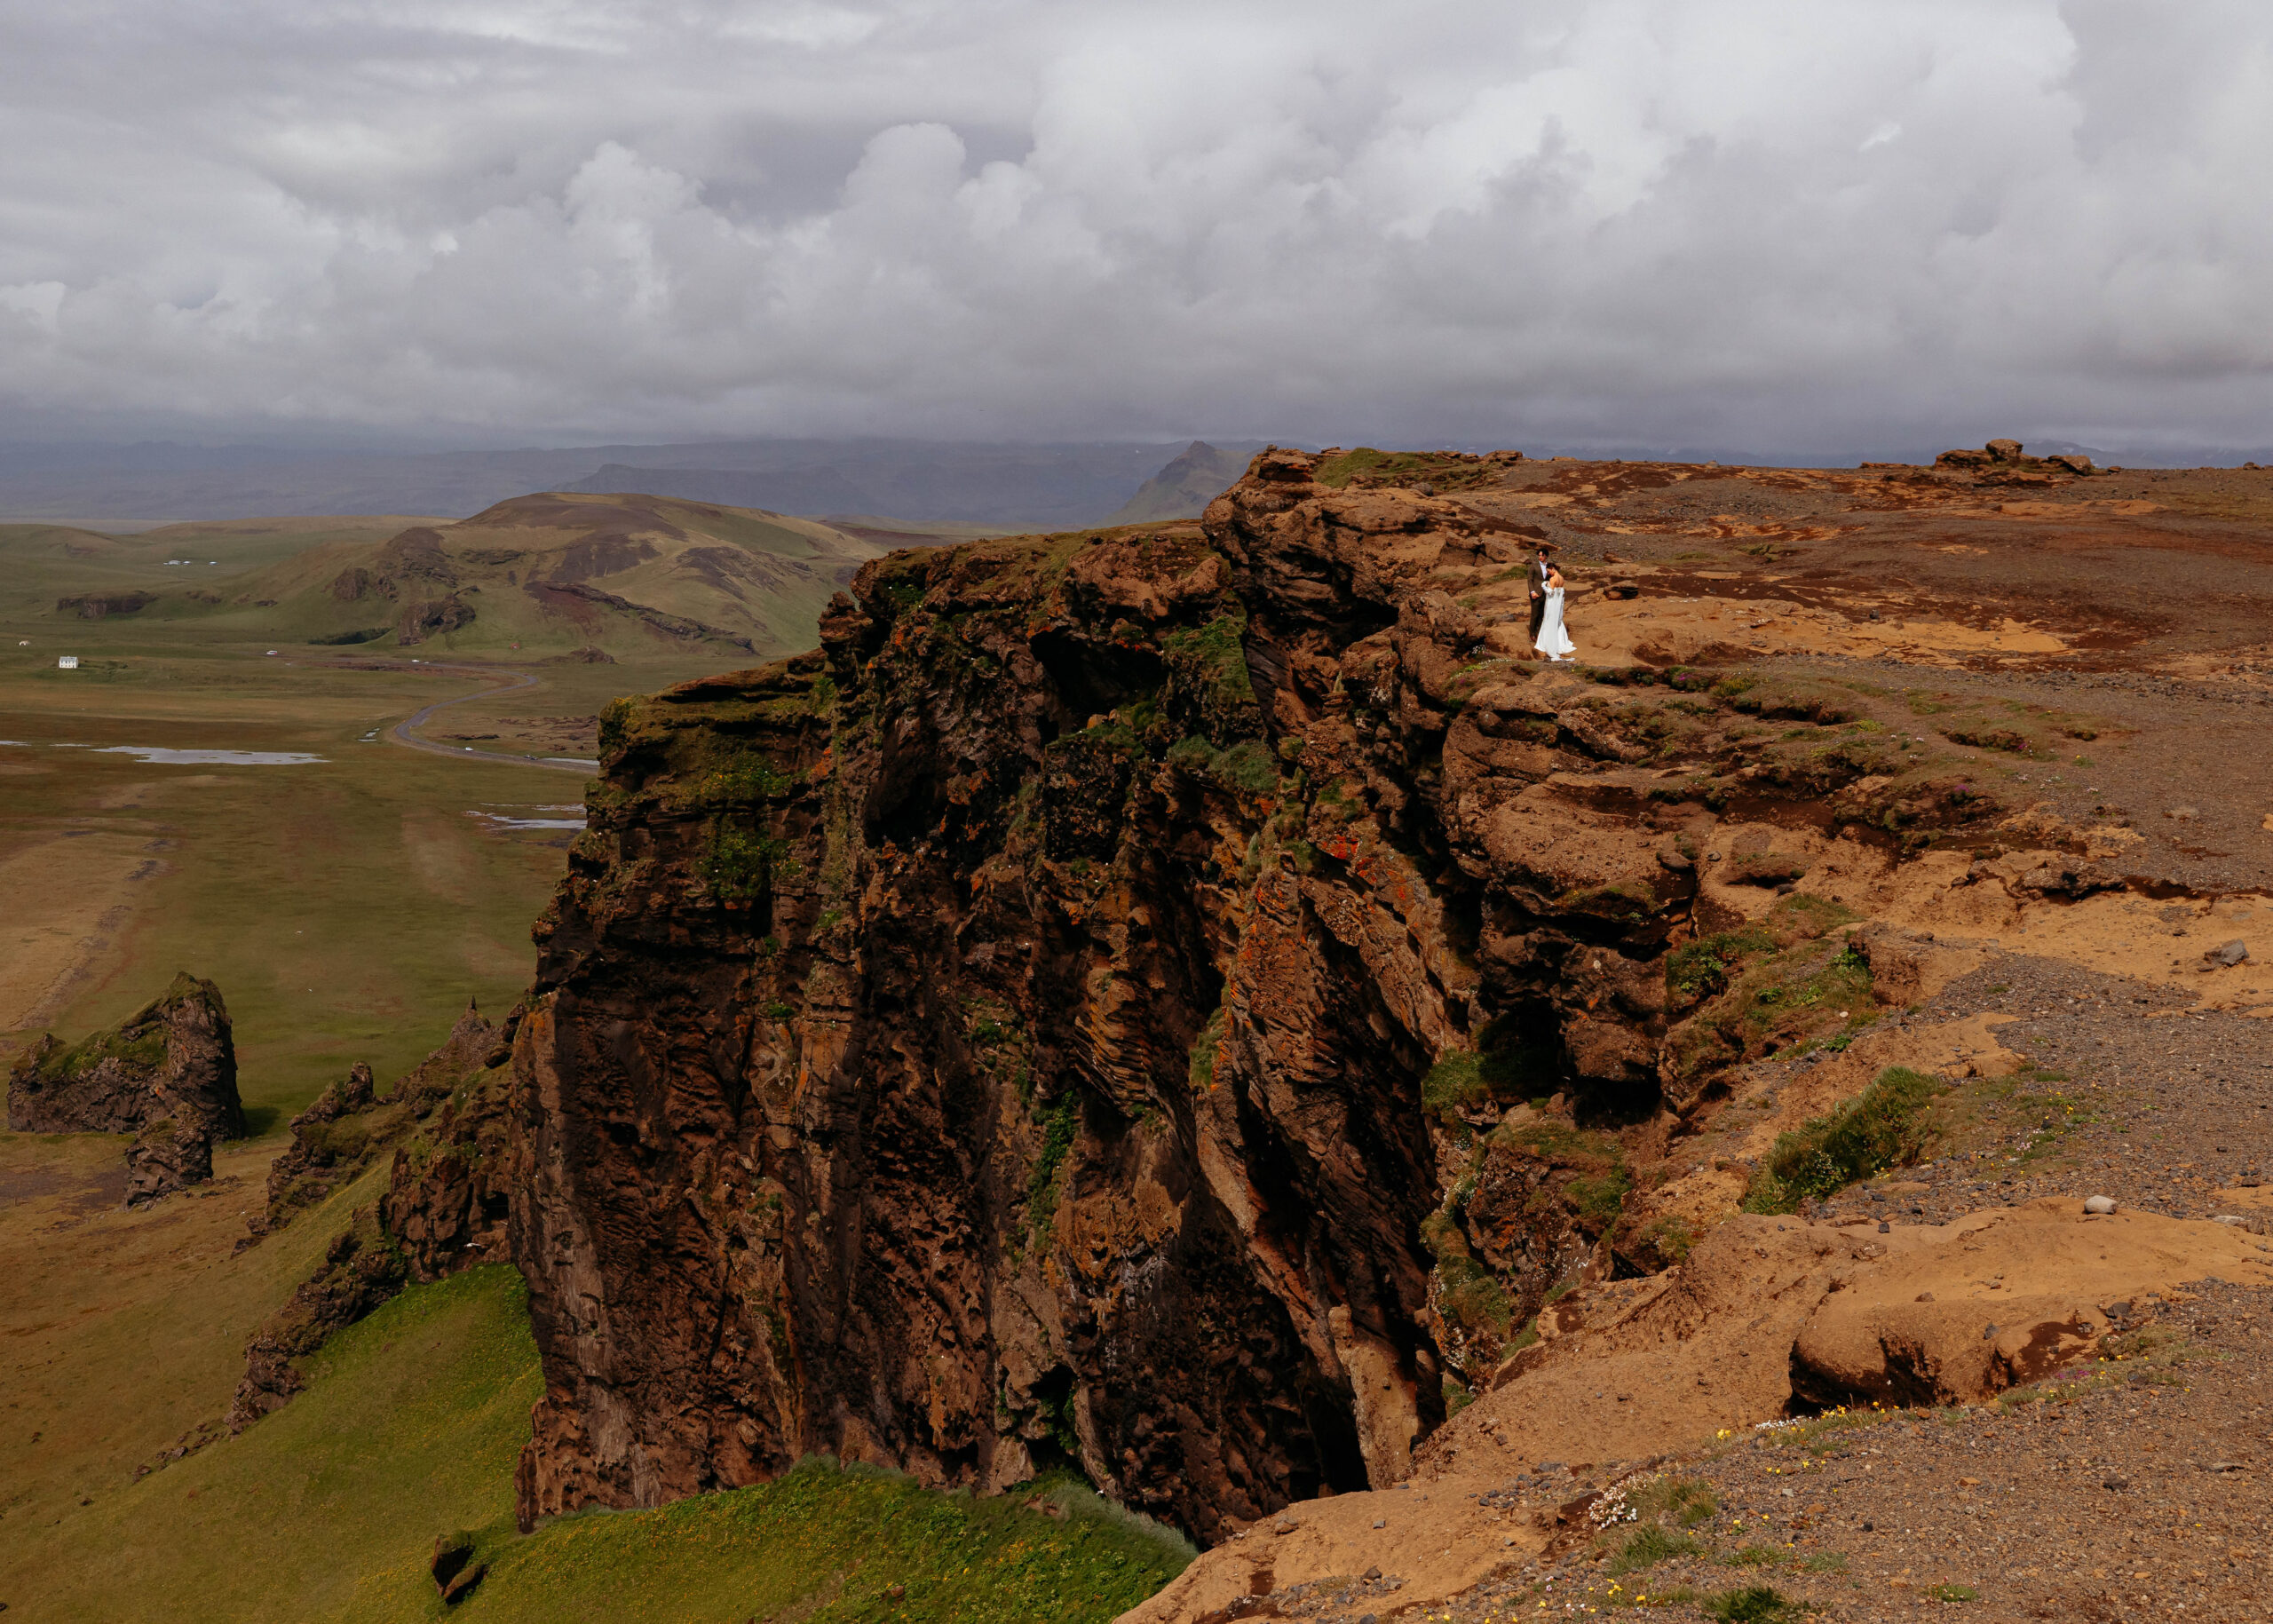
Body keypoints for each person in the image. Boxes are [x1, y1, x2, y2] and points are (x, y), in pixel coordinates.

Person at [1534, 564, 1576, 661]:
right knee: (1557, 620)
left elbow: (1550, 592)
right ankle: (1560, 641)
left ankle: (1547, 643)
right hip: (1558, 603)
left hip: (1552, 603)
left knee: (1549, 620)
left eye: (1549, 571)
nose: (1548, 573)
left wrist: (1543, 585)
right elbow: (1560, 591)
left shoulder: (1553, 579)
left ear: (1553, 569)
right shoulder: (1561, 578)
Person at [1525, 547, 1553, 644]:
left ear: (1546, 556)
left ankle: (1538, 633)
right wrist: (1532, 592)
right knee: (1534, 614)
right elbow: (1529, 580)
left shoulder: (1549, 566)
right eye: (1539, 555)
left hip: (1545, 594)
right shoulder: (1533, 566)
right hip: (1535, 594)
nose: (1540, 557)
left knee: (1541, 615)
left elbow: (1550, 578)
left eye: (1542, 555)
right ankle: (1532, 634)